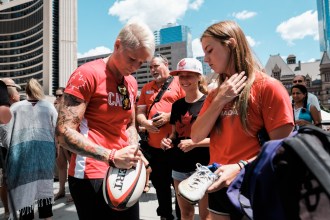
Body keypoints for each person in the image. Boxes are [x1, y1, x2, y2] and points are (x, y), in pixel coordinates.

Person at [190, 20, 294, 220]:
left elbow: (283, 149)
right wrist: (220, 100)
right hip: (218, 182)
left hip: (255, 184)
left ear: (231, 44)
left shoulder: (268, 87)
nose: (206, 58)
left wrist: (239, 167)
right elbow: (196, 135)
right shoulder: (215, 95)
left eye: (210, 50)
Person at [55, 21, 155, 220]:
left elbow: (129, 125)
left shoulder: (132, 83)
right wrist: (111, 156)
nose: (135, 67)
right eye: (132, 59)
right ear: (117, 45)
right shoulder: (87, 74)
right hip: (90, 173)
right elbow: (63, 133)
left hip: (122, 171)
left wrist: (134, 151)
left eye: (141, 63)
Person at [160, 58, 211, 220]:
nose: (184, 80)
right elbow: (175, 135)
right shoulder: (176, 106)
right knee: (185, 214)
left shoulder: (209, 103)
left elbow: (219, 139)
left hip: (204, 167)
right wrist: (167, 141)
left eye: (189, 76)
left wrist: (195, 143)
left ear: (199, 77)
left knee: (206, 216)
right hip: (179, 166)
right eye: (181, 76)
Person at [137, 54, 185, 220]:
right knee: (160, 186)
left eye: (156, 66)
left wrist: (169, 116)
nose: (152, 70)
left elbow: (189, 108)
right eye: (150, 67)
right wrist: (147, 123)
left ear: (166, 64)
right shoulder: (146, 88)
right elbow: (140, 113)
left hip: (176, 146)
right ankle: (165, 215)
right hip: (154, 148)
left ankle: (181, 216)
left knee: (179, 186)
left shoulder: (179, 82)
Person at [1, 78, 57, 220]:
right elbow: (58, 130)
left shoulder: (16, 107)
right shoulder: (49, 107)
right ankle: (46, 217)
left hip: (21, 154)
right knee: (44, 187)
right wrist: (55, 148)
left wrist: (11, 145)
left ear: (26, 91)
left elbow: (4, 131)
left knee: (25, 188)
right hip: (45, 154)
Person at [0, 78, 21, 219]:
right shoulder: (11, 107)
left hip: (9, 147)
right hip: (7, 148)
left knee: (5, 180)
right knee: (5, 180)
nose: (18, 92)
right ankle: (10, 210)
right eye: (16, 89)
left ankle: (10, 210)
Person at [53, 87, 73, 203]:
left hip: (68, 139)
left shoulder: (70, 106)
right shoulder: (55, 107)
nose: (57, 97)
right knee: (61, 166)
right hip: (58, 138)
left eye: (60, 95)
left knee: (72, 165)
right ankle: (61, 190)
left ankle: (73, 192)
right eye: (56, 95)